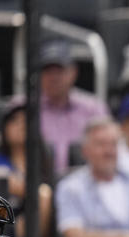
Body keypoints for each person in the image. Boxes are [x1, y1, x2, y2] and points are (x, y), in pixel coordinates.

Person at [0, 99, 55, 237]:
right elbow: (7, 186)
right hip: (4, 217)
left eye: (26, 121)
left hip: (38, 218)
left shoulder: (43, 160)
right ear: (5, 128)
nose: (21, 126)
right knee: (43, 194)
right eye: (15, 121)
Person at [38, 40, 110, 175]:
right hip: (37, 184)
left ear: (73, 72)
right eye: (48, 71)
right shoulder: (24, 109)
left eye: (59, 71)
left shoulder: (93, 108)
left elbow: (109, 146)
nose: (54, 78)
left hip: (85, 183)